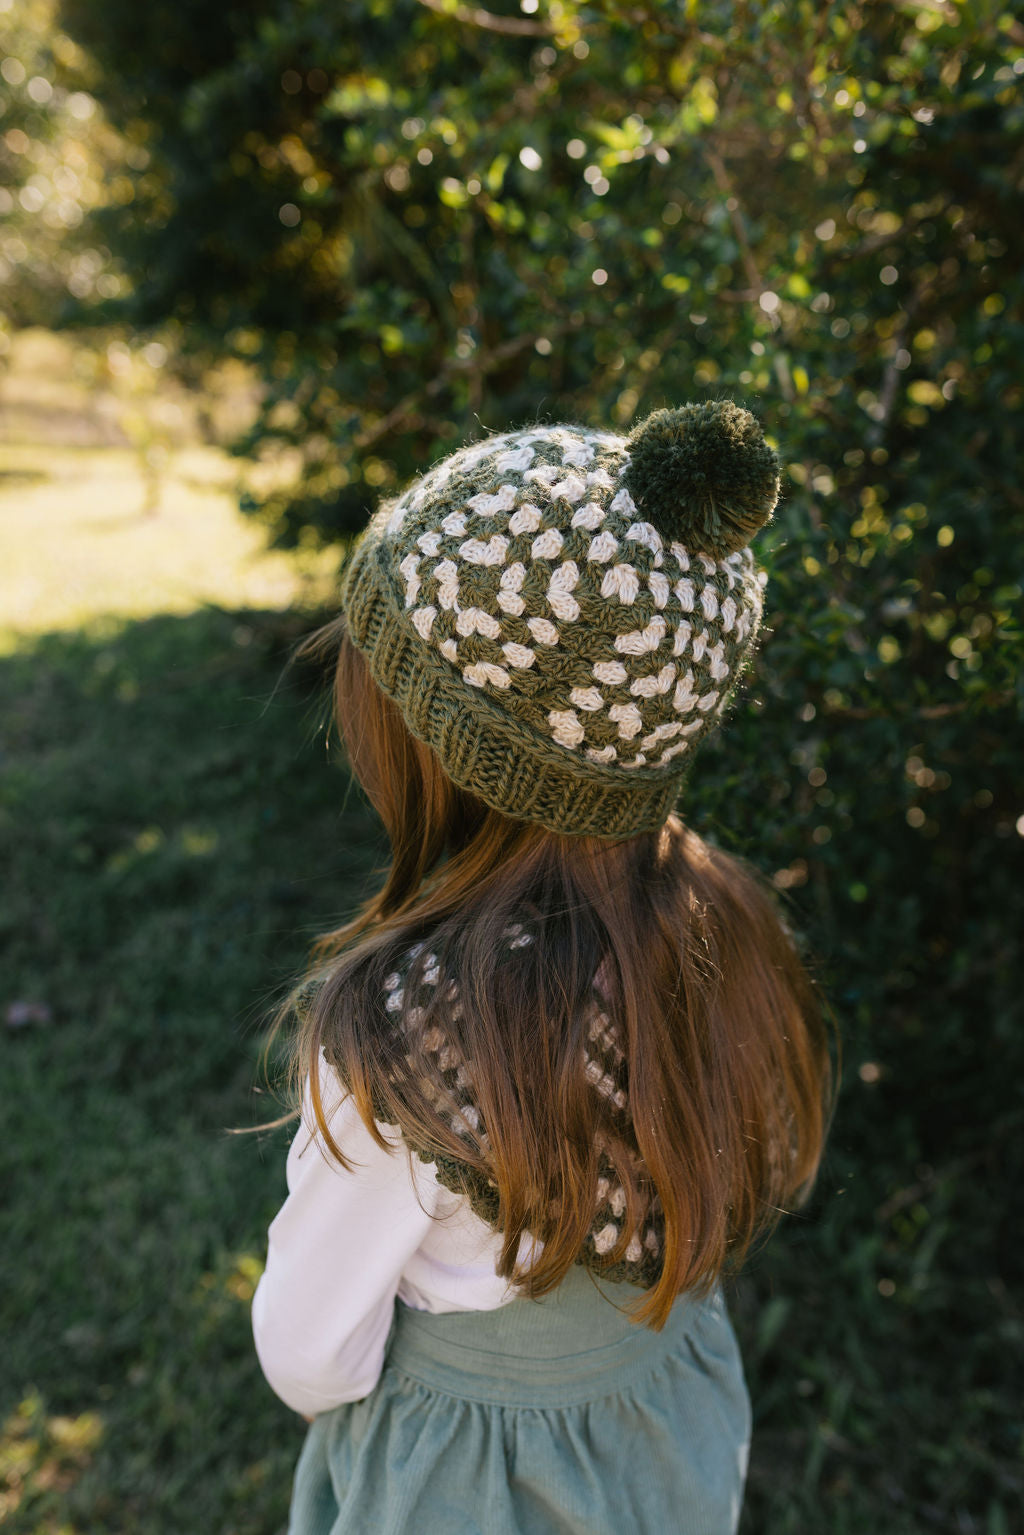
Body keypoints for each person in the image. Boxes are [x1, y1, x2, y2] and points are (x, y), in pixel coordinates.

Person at [252, 401, 832, 1535]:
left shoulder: (397, 1033)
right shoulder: (720, 920)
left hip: (466, 1483)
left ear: (438, 747)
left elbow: (310, 1348)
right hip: (663, 1435)